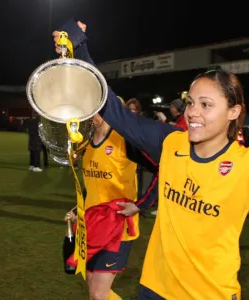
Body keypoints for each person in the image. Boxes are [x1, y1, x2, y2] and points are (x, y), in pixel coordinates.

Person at [54, 21, 248, 300]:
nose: (193, 112)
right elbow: (112, 110)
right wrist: (80, 47)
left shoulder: (244, 165)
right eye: (191, 102)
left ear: (233, 112)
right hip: (155, 288)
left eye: (206, 105)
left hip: (211, 294)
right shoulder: (170, 142)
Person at [65, 113, 145, 300]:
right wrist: (78, 209)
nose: (92, 115)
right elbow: (92, 186)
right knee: (94, 290)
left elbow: (162, 168)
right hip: (91, 225)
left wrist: (141, 204)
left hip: (117, 227)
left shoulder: (126, 141)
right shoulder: (87, 143)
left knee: (98, 294)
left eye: (98, 110)